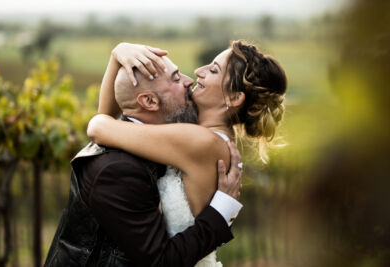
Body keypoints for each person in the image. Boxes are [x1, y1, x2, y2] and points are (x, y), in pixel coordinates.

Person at [87, 40, 287, 266]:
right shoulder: (202, 134)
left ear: (233, 98)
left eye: (213, 70)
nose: (197, 73)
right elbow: (117, 125)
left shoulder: (200, 142)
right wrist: (117, 55)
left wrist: (117, 54)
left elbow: (100, 127)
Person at [44, 43, 244, 267]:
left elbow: (104, 119)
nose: (190, 80)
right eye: (177, 78)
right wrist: (222, 210)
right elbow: (160, 262)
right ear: (149, 101)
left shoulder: (154, 137)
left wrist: (117, 54)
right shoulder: (118, 170)